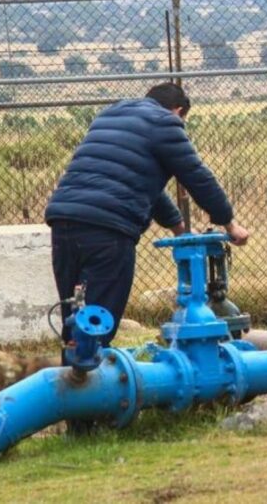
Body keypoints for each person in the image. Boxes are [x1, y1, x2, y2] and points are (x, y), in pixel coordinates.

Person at [45, 82, 250, 349]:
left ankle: (70, 381)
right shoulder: (166, 123)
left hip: (63, 220)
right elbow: (197, 178)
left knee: (76, 321)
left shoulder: (111, 115)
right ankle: (91, 383)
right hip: (108, 229)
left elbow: (142, 185)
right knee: (98, 324)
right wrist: (230, 223)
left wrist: (178, 228)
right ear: (178, 111)